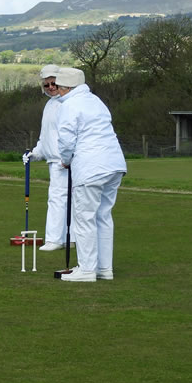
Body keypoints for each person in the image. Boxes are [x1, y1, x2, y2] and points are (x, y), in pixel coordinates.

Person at [55, 67, 127, 282]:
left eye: (58, 87)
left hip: (91, 167)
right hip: (114, 164)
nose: (56, 91)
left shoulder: (69, 105)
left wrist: (66, 160)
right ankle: (104, 269)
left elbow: (66, 140)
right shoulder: (96, 101)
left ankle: (87, 270)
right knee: (103, 217)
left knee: (84, 218)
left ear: (66, 87)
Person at [23, 64, 77, 252]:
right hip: (56, 160)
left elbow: (69, 134)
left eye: (54, 83)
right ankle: (65, 238)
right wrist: (36, 153)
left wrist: (67, 157)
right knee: (61, 199)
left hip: (66, 161)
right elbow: (46, 137)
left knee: (62, 199)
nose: (51, 87)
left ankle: (57, 239)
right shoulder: (50, 105)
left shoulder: (68, 103)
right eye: (47, 85)